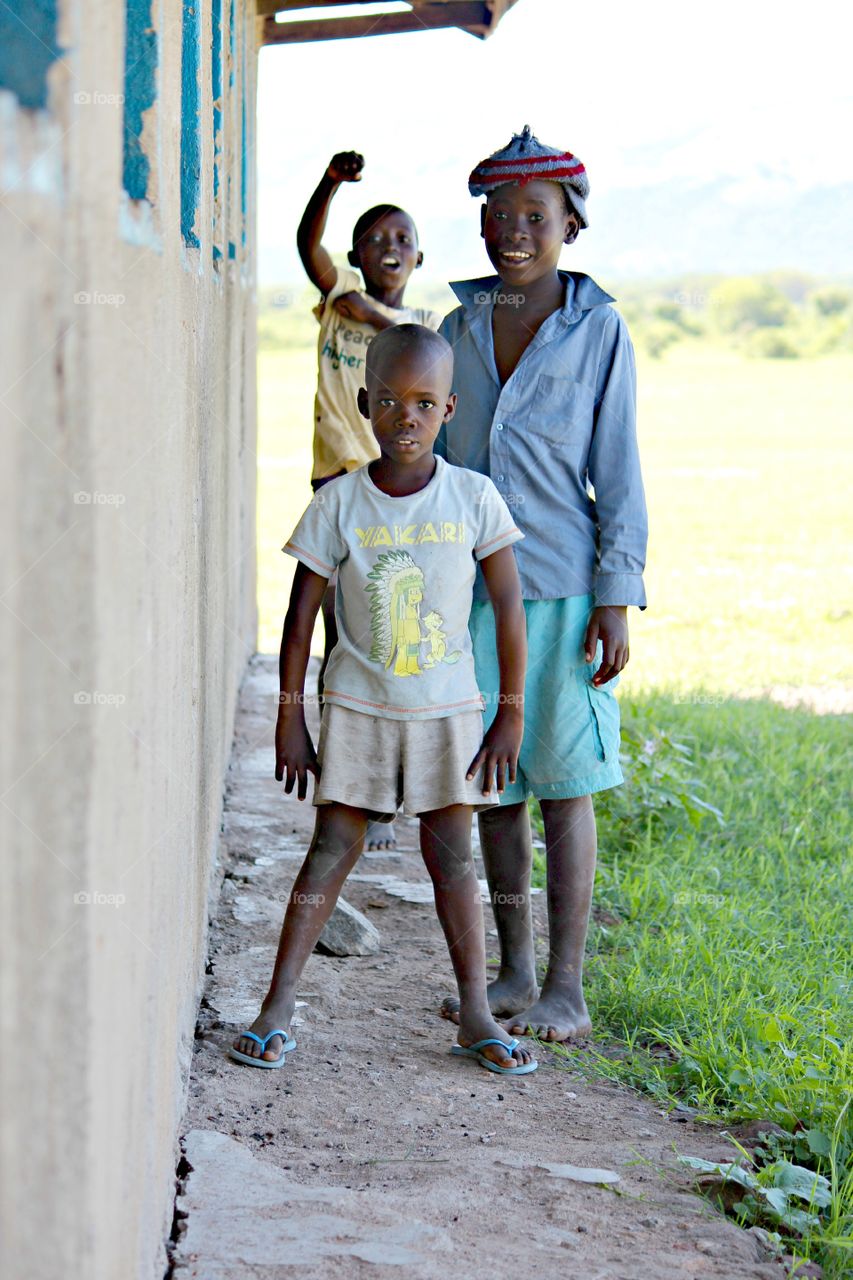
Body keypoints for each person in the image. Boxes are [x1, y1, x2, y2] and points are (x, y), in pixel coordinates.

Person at [230, 324, 536, 1076]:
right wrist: (291, 716)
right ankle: (276, 1006)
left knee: (452, 863)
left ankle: (472, 1012)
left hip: (446, 715)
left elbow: (507, 609)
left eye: (425, 403)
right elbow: (300, 619)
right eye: (392, 401)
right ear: (366, 404)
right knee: (331, 849)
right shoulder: (340, 503)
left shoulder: (473, 497)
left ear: (449, 410)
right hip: (360, 712)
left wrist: (509, 712)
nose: (407, 417)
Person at [437, 126, 648, 1043]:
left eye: (535, 217)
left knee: (563, 783)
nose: (513, 232)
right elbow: (437, 460)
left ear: (571, 225)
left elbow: (619, 467)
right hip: (471, 594)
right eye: (498, 215)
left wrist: (616, 594)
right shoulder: (455, 329)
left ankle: (567, 984)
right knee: (492, 784)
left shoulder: (596, 328)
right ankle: (514, 969)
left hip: (562, 589)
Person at [297, 150, 442, 851]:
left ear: (419, 256)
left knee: (390, 633)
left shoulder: (416, 330)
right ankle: (344, 782)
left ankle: (385, 790)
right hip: (339, 485)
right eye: (376, 238)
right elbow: (306, 245)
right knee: (339, 637)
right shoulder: (337, 293)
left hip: (398, 494)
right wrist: (329, 183)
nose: (390, 246)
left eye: (402, 239)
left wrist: (378, 316)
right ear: (355, 251)